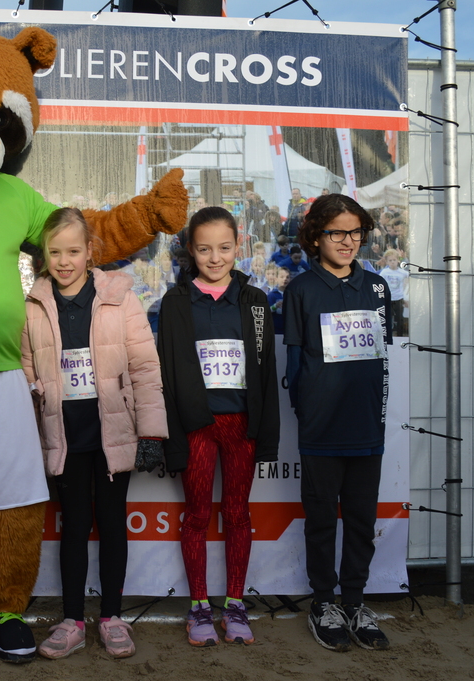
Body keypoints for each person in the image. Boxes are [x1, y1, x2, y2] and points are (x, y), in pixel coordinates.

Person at [20, 208, 165, 659]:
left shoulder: (121, 298)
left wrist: (151, 432)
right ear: (44, 255)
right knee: (75, 526)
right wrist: (36, 396)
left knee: (112, 522)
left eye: (73, 251)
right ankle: (72, 621)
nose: (64, 261)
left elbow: (145, 367)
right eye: (55, 252)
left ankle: (112, 618)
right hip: (64, 435)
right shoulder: (32, 306)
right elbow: (25, 367)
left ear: (89, 252)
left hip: (113, 432)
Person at [156, 206, 279, 647]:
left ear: (238, 246)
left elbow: (266, 371)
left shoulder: (255, 301)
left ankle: (236, 604)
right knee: (197, 515)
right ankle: (199, 607)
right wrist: (172, 436)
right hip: (196, 426)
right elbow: (168, 374)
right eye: (205, 249)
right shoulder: (175, 303)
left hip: (241, 425)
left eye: (224, 248)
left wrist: (267, 435)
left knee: (238, 513)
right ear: (191, 250)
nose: (215, 258)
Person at [283, 194, 393, 653]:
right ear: (316, 237)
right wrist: (311, 412)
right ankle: (324, 602)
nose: (348, 241)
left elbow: (381, 359)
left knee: (362, 521)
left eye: (355, 232)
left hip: (367, 430)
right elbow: (294, 365)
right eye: (337, 233)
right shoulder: (301, 290)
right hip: (321, 433)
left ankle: (354, 602)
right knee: (322, 520)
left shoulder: (378, 288)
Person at [378, 249, 409, 337]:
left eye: (394, 260)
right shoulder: (384, 272)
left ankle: (400, 335)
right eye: (390, 260)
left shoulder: (402, 272)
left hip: (399, 298)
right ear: (387, 262)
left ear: (398, 260)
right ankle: (387, 335)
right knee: (387, 317)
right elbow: (379, 282)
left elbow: (410, 276)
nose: (392, 262)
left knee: (399, 318)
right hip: (388, 298)